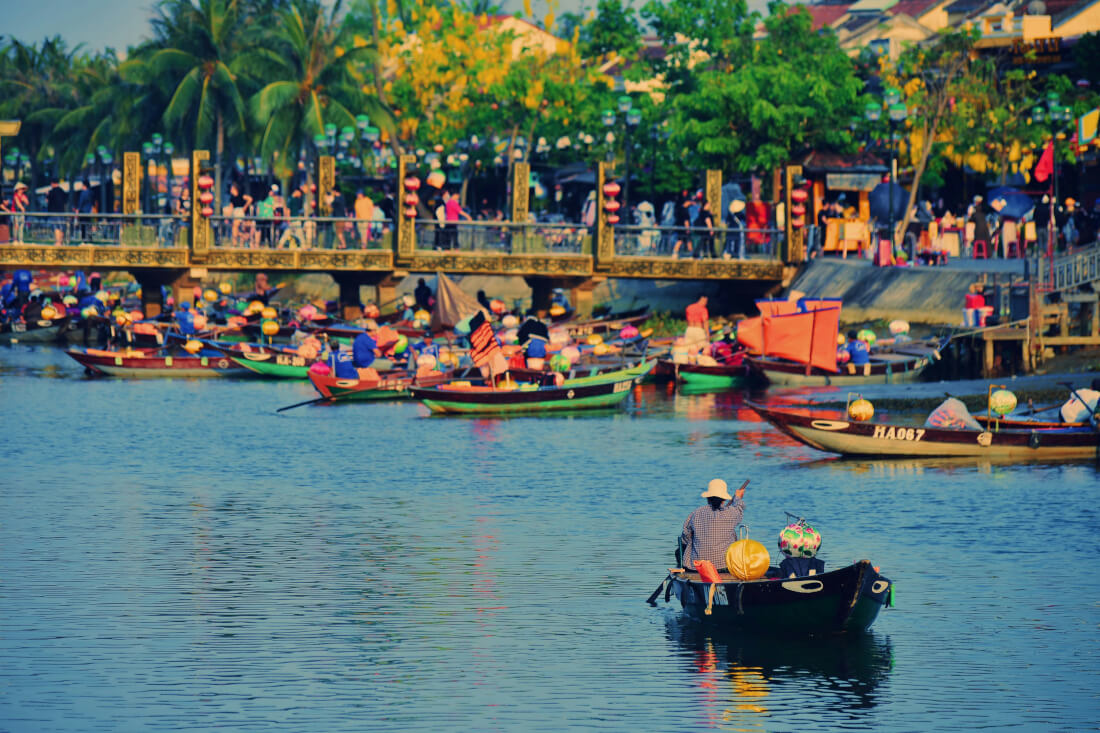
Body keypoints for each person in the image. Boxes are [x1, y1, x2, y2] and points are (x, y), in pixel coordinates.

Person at [680, 478, 746, 572]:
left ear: (708, 498)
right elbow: (739, 508)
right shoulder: (731, 513)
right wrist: (738, 497)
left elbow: (685, 537)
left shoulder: (696, 513)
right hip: (724, 566)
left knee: (682, 548)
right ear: (724, 499)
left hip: (697, 566)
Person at [47, 178, 68, 245]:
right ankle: (61, 242)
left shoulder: (51, 192)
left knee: (56, 227)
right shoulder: (62, 191)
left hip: (54, 212)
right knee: (62, 227)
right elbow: (65, 202)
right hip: (61, 212)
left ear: (52, 183)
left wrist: (47, 195)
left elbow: (47, 201)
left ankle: (58, 242)